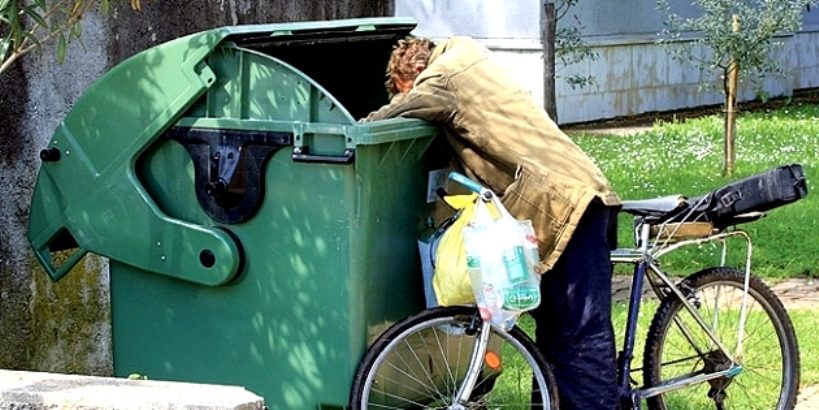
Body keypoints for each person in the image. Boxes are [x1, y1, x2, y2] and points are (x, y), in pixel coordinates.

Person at [363, 36, 622, 409]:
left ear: (413, 74)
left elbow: (396, 113)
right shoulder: (470, 59)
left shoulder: (442, 77)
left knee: (578, 340)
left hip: (565, 204)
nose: (409, 95)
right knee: (557, 340)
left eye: (405, 90)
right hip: (572, 197)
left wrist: (354, 129)